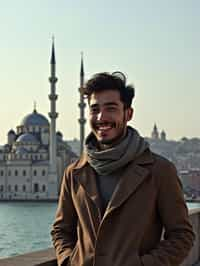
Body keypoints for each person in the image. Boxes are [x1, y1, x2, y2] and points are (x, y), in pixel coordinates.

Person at [51, 72, 195, 266]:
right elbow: (61, 230)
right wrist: (69, 261)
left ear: (128, 113)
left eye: (111, 108)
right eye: (95, 109)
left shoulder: (159, 171)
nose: (101, 117)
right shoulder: (75, 172)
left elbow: (182, 235)